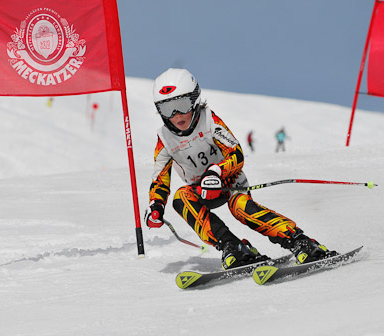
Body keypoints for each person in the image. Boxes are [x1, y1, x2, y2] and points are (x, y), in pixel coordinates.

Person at [144, 68, 337, 269]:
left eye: (181, 105)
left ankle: (300, 241)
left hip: (230, 182)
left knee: (240, 208)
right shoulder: (165, 139)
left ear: (194, 100)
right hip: (200, 191)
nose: (176, 115)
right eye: (167, 109)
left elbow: (236, 153)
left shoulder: (209, 120)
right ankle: (233, 247)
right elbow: (160, 178)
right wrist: (156, 205)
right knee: (181, 198)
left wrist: (216, 172)